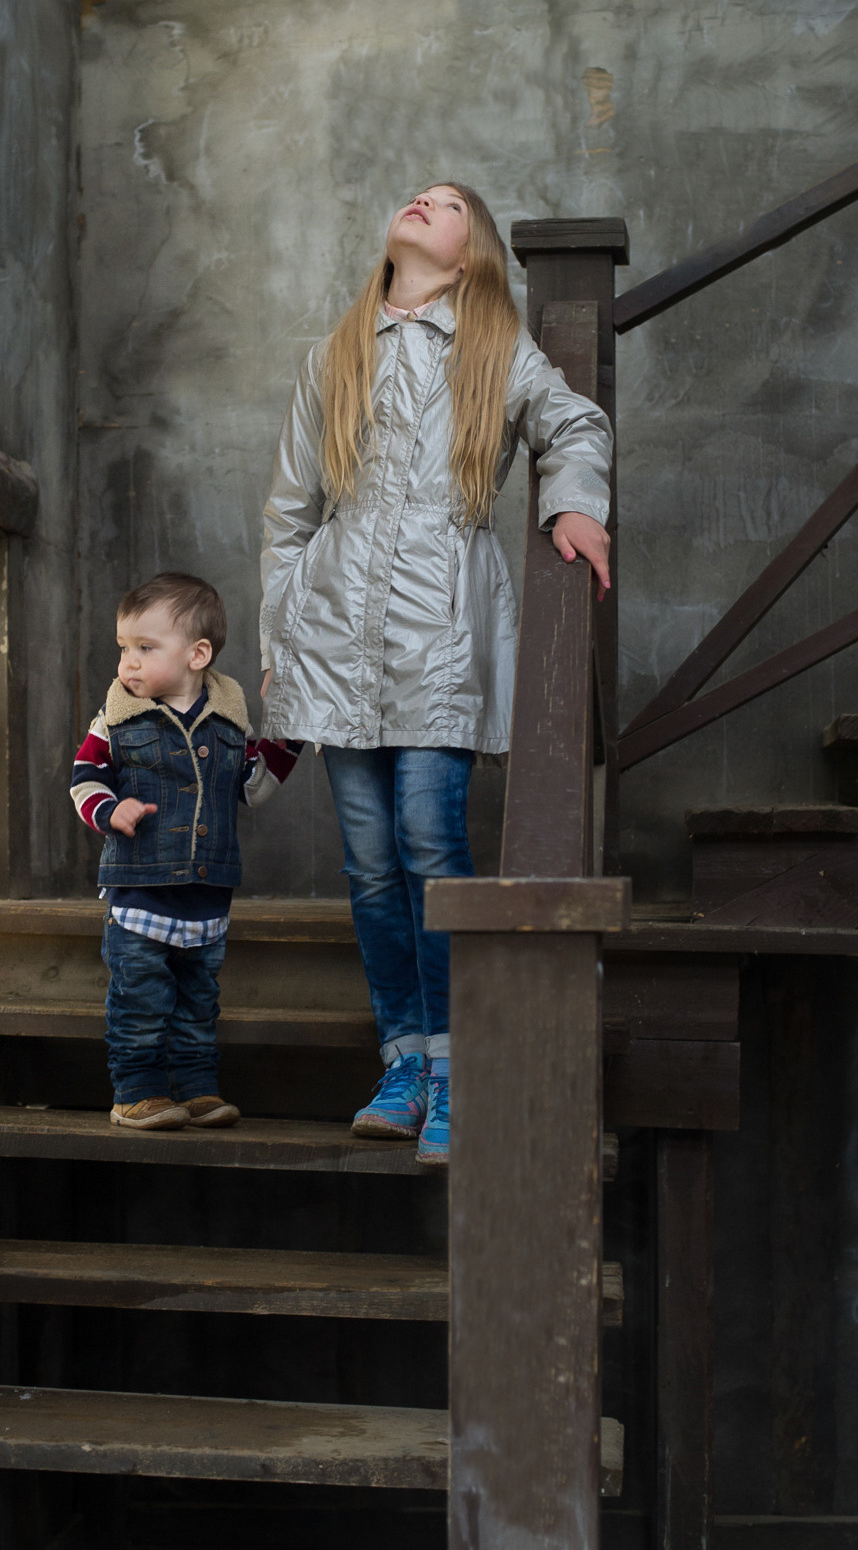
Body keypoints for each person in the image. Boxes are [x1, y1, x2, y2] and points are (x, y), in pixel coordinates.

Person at [259, 184, 612, 1165]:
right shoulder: (336, 353)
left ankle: (461, 1067)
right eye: (419, 193)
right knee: (370, 862)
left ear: (471, 256)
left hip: (442, 632)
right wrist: (282, 639)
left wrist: (570, 505)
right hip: (332, 631)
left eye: (449, 202)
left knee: (428, 836)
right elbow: (289, 515)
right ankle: (405, 1058)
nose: (424, 199)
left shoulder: (496, 350)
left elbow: (574, 425)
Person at [71, 571, 300, 1130]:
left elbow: (255, 786)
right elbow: (84, 777)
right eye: (124, 648)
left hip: (206, 895)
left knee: (199, 1005)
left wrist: (292, 730)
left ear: (198, 655)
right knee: (141, 1003)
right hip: (140, 893)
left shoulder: (227, 724)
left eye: (145, 648)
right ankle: (137, 1092)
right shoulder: (117, 720)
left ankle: (197, 1090)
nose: (128, 662)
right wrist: (109, 809)